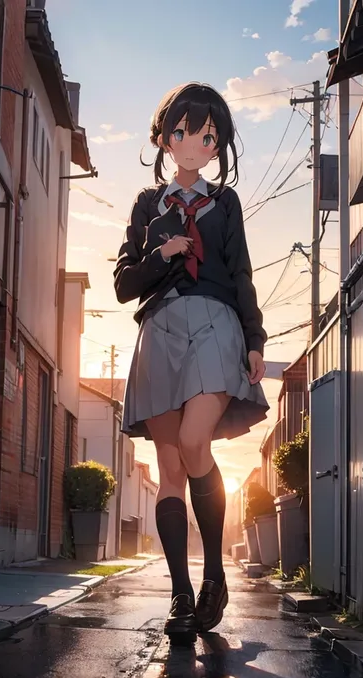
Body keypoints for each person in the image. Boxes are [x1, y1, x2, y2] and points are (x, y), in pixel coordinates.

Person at [113, 82, 269, 644]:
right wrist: (163, 253)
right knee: (171, 469)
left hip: (215, 325)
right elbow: (124, 284)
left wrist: (255, 338)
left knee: (196, 442)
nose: (193, 143)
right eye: (182, 132)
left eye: (206, 135)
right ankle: (181, 592)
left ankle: (215, 573)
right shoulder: (144, 205)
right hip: (159, 330)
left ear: (217, 143)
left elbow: (242, 270)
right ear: (164, 138)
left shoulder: (224, 204)